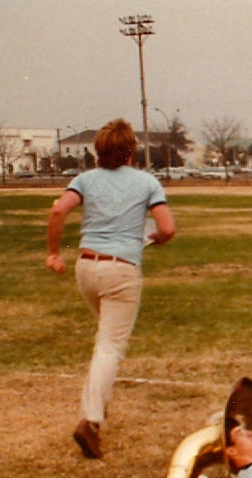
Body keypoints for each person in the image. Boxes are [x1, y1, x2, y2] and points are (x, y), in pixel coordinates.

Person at [45, 118, 176, 459]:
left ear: (98, 151)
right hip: (121, 271)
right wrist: (157, 239)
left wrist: (53, 253)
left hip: (86, 267)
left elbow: (59, 209)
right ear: (132, 151)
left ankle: (97, 407)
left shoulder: (85, 179)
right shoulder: (147, 182)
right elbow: (167, 228)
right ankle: (90, 421)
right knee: (109, 347)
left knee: (104, 341)